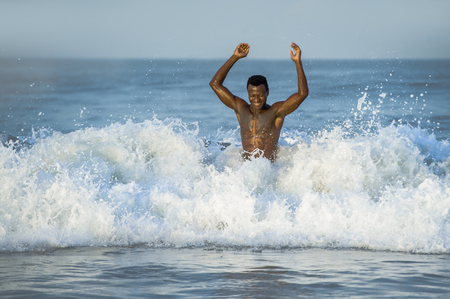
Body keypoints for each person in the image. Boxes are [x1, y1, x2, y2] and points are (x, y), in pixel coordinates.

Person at [209, 42, 309, 161]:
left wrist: (298, 62)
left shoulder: (276, 111)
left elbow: (302, 94)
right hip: (246, 171)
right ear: (248, 94)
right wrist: (235, 57)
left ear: (267, 92)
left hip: (268, 172)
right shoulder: (241, 108)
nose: (256, 99)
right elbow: (214, 84)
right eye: (252, 95)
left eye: (260, 95)